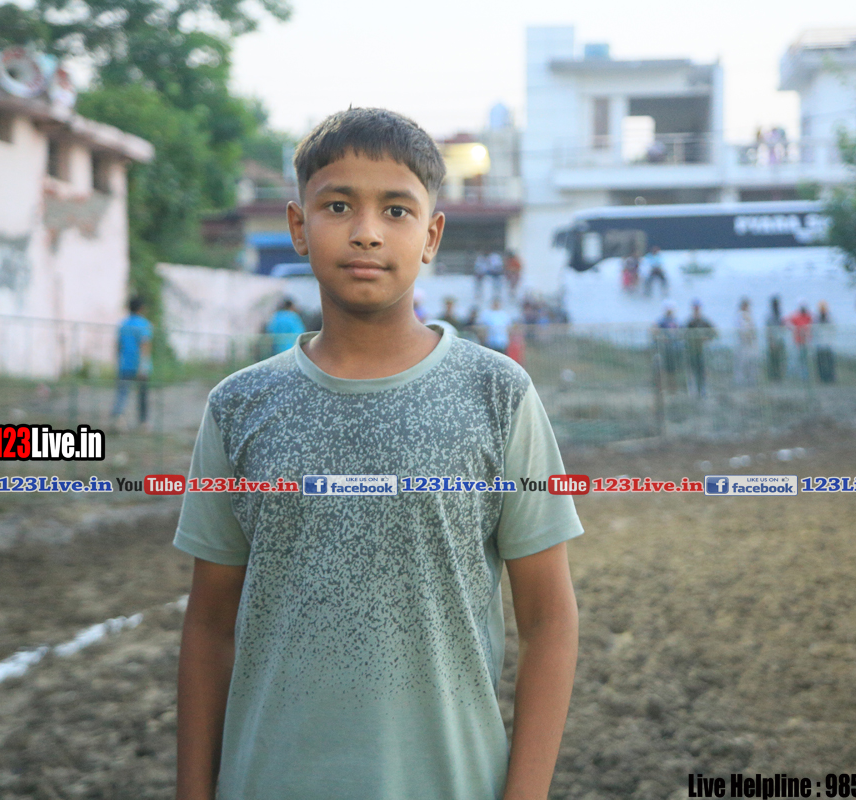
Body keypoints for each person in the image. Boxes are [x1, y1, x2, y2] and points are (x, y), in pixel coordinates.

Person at [174, 108, 582, 800]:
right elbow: (209, 625)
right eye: (338, 206)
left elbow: (549, 619)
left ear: (432, 235)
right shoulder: (238, 406)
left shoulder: (498, 394)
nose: (366, 230)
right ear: (298, 226)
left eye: (396, 210)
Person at [111, 296, 152, 428]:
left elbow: (118, 345)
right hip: (139, 364)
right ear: (141, 308)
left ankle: (118, 419)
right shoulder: (143, 324)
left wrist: (117, 362)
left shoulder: (123, 324)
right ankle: (143, 422)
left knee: (122, 393)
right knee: (142, 395)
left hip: (125, 364)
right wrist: (143, 366)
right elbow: (144, 345)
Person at [684, 299, 716, 396]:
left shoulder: (704, 321)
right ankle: (693, 391)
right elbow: (684, 334)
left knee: (702, 371)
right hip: (692, 351)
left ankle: (702, 390)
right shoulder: (690, 322)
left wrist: (706, 338)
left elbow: (714, 333)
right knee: (692, 371)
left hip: (702, 351)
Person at [653, 300, 682, 392]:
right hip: (663, 350)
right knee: (660, 370)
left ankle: (672, 389)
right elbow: (654, 331)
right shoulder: (661, 321)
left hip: (673, 350)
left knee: (672, 371)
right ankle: (661, 389)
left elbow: (680, 333)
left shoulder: (676, 321)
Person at [786, 302, 813, 381]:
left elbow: (811, 325)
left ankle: (804, 376)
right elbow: (787, 321)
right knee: (795, 359)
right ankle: (792, 376)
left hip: (805, 342)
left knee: (804, 360)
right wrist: (793, 329)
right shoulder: (796, 316)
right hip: (797, 342)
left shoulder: (808, 317)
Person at [735, 298, 758, 387]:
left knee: (751, 362)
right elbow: (741, 329)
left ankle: (751, 381)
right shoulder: (739, 316)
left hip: (750, 343)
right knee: (742, 363)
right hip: (743, 343)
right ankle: (740, 382)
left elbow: (753, 328)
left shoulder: (750, 316)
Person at [765, 295, 786, 382]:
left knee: (781, 360)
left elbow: (783, 328)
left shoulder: (780, 315)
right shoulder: (770, 317)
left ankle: (780, 376)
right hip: (773, 342)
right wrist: (771, 342)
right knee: (773, 360)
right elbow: (768, 330)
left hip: (780, 341)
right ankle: (773, 377)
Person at [814, 301, 836, 383]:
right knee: (820, 363)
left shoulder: (830, 318)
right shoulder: (816, 319)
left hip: (828, 344)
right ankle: (822, 378)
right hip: (819, 345)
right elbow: (814, 331)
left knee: (830, 363)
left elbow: (833, 330)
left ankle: (830, 378)